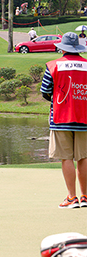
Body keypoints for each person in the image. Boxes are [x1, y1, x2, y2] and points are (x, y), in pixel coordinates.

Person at [40, 32, 87, 209]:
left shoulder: (53, 65)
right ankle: (85, 197)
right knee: (84, 156)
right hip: (85, 117)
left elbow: (45, 91)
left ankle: (71, 197)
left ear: (63, 47)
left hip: (61, 117)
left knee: (66, 157)